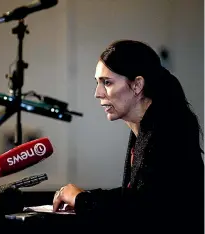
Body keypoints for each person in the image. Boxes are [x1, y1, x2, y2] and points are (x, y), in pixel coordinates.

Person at [53, 40, 204, 233]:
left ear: (137, 85)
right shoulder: (146, 126)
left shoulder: (166, 132)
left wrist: (82, 200)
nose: (97, 93)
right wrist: (83, 196)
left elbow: (142, 212)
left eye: (106, 83)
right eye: (98, 83)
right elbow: (137, 195)